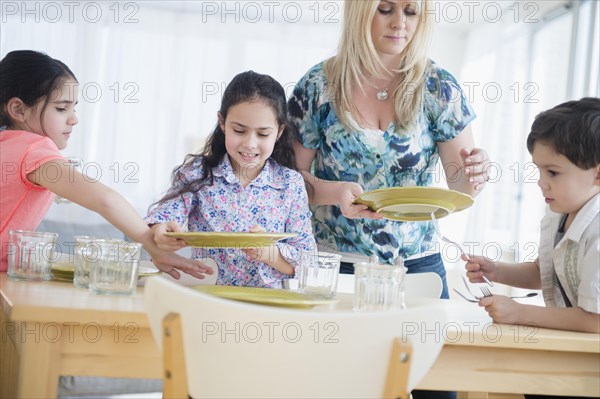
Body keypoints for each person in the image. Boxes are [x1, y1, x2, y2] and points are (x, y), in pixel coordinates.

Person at [288, 0, 490, 300]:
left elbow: (460, 188)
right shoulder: (318, 85)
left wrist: (476, 173)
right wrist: (337, 193)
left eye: (411, 11)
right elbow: (288, 183)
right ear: (360, 11)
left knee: (426, 348)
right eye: (385, 9)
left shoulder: (439, 87)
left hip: (418, 267)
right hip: (336, 264)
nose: (400, 23)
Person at [0, 50, 213, 280]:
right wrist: (153, 247)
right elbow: (105, 199)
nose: (73, 119)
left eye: (74, 108)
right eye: (61, 108)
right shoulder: (34, 149)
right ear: (18, 110)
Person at [146, 71, 316, 288]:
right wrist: (160, 231)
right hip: (208, 300)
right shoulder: (198, 174)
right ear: (222, 122)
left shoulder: (290, 184)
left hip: (267, 307)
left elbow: (307, 263)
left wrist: (268, 253)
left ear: (279, 131)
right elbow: (163, 216)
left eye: (263, 134)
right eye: (239, 130)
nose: (250, 143)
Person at [465, 98, 600, 338]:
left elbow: (595, 320)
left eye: (553, 172)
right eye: (538, 169)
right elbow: (546, 272)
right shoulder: (560, 213)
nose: (541, 182)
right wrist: (496, 271)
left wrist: (520, 313)